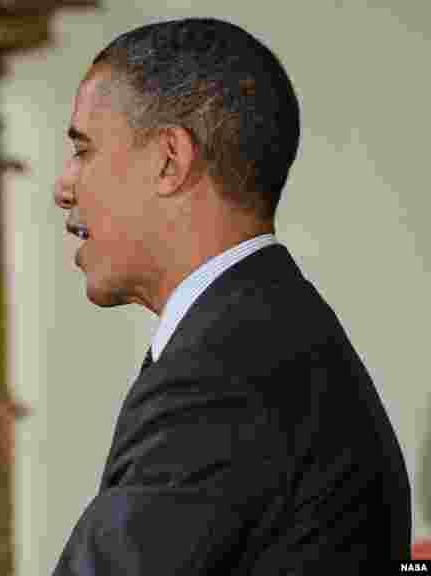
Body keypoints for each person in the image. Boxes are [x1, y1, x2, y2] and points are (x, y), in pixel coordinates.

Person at [51, 18, 410, 573]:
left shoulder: (227, 370)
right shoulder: (264, 331)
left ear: (169, 159)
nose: (64, 186)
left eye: (84, 150)